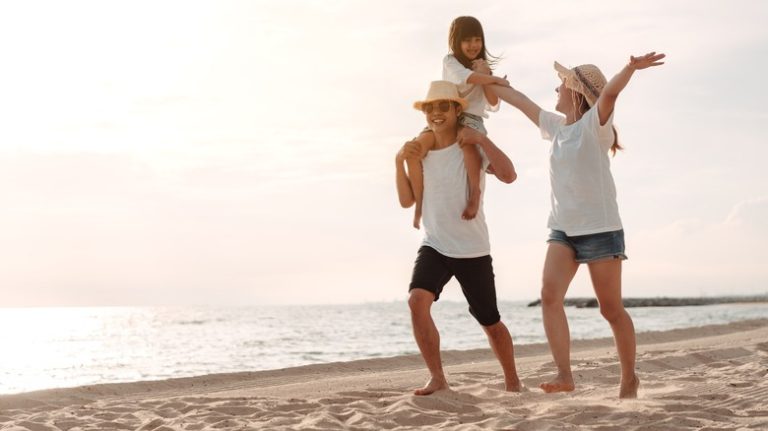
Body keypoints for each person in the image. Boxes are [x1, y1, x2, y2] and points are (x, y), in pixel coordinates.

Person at [488, 52, 666, 398]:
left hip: (600, 229)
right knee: (549, 296)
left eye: (562, 82)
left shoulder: (595, 126)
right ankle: (564, 373)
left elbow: (610, 94)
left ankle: (629, 377)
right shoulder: (555, 127)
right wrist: (486, 81)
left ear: (574, 90)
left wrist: (629, 68)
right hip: (563, 231)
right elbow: (520, 101)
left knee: (610, 309)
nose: (556, 87)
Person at [396, 80, 520, 395]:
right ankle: (438, 378)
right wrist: (398, 162)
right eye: (430, 108)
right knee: (416, 301)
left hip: (472, 248)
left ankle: (513, 381)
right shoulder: (419, 151)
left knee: (490, 322)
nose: (435, 113)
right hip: (435, 243)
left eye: (442, 107)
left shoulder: (470, 145)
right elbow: (407, 200)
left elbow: (509, 174)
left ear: (455, 110)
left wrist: (482, 138)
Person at [407, 16, 511, 229]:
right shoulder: (450, 61)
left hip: (471, 119)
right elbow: (467, 78)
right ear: (456, 42)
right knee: (419, 144)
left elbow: (492, 101)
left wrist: (487, 75)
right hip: (447, 114)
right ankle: (418, 203)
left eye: (477, 40)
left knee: (467, 143)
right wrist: (494, 78)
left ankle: (475, 192)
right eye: (467, 40)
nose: (473, 45)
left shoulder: (483, 69)